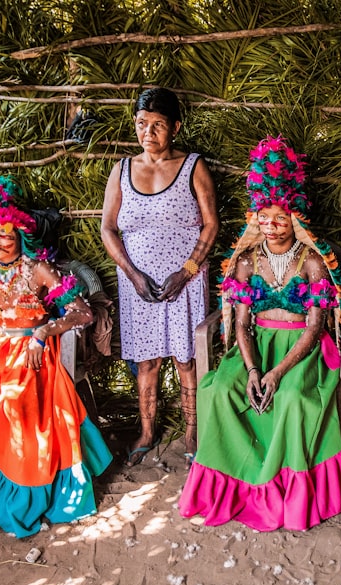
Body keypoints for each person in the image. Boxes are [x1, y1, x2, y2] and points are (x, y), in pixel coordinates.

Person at [178, 136, 341, 531]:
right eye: (264, 217)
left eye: (280, 218)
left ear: (295, 217)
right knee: (219, 388)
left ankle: (285, 490)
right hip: (256, 345)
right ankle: (235, 485)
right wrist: (255, 370)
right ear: (255, 218)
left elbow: (315, 327)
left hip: (301, 348)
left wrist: (277, 374)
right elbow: (241, 323)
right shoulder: (246, 261)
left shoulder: (312, 262)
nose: (272, 226)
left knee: (294, 395)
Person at [0, 174, 113, 538]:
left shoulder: (38, 270)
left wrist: (42, 333)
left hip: (34, 350)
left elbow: (82, 313)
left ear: (21, 233)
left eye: (4, 233)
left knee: (15, 404)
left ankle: (27, 485)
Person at [100, 87, 220, 467]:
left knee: (186, 361)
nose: (147, 132)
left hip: (183, 282)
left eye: (157, 125)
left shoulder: (192, 166)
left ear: (175, 127)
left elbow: (211, 225)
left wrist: (185, 273)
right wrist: (133, 275)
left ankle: (191, 431)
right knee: (147, 361)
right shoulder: (122, 170)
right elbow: (107, 228)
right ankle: (147, 431)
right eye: (141, 124)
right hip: (139, 286)